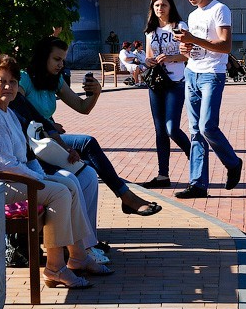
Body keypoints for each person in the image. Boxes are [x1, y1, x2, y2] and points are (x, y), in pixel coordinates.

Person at [0, 54, 111, 289]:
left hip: (5, 180)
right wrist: (41, 179)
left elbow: (22, 155)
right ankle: (56, 268)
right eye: (2, 81)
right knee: (58, 193)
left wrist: (42, 176)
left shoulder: (4, 111)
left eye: (13, 82)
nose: (8, 87)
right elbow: (4, 166)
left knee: (68, 182)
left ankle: (78, 256)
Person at [20, 36, 163, 216]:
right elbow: (18, 111)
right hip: (32, 143)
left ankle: (90, 234)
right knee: (87, 147)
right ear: (43, 57)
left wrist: (95, 93)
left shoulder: (54, 80)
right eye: (56, 59)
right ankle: (126, 198)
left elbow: (82, 107)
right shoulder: (24, 79)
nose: (61, 65)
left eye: (63, 60)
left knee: (87, 161)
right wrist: (48, 124)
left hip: (50, 142)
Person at [172, 0, 243, 199]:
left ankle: (233, 163)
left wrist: (192, 39)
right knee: (195, 132)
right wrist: (186, 48)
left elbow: (225, 46)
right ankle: (198, 185)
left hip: (212, 74)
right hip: (191, 72)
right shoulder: (193, 16)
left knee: (207, 127)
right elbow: (191, 49)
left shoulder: (220, 9)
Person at [140, 0, 191, 189]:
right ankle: (163, 175)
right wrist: (148, 60)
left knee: (172, 128)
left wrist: (169, 58)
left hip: (176, 82)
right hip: (156, 83)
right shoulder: (150, 31)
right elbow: (149, 56)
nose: (160, 9)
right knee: (160, 130)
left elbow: (187, 56)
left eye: (164, 5)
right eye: (156, 6)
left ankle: (194, 154)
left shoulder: (180, 27)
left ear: (171, 7)